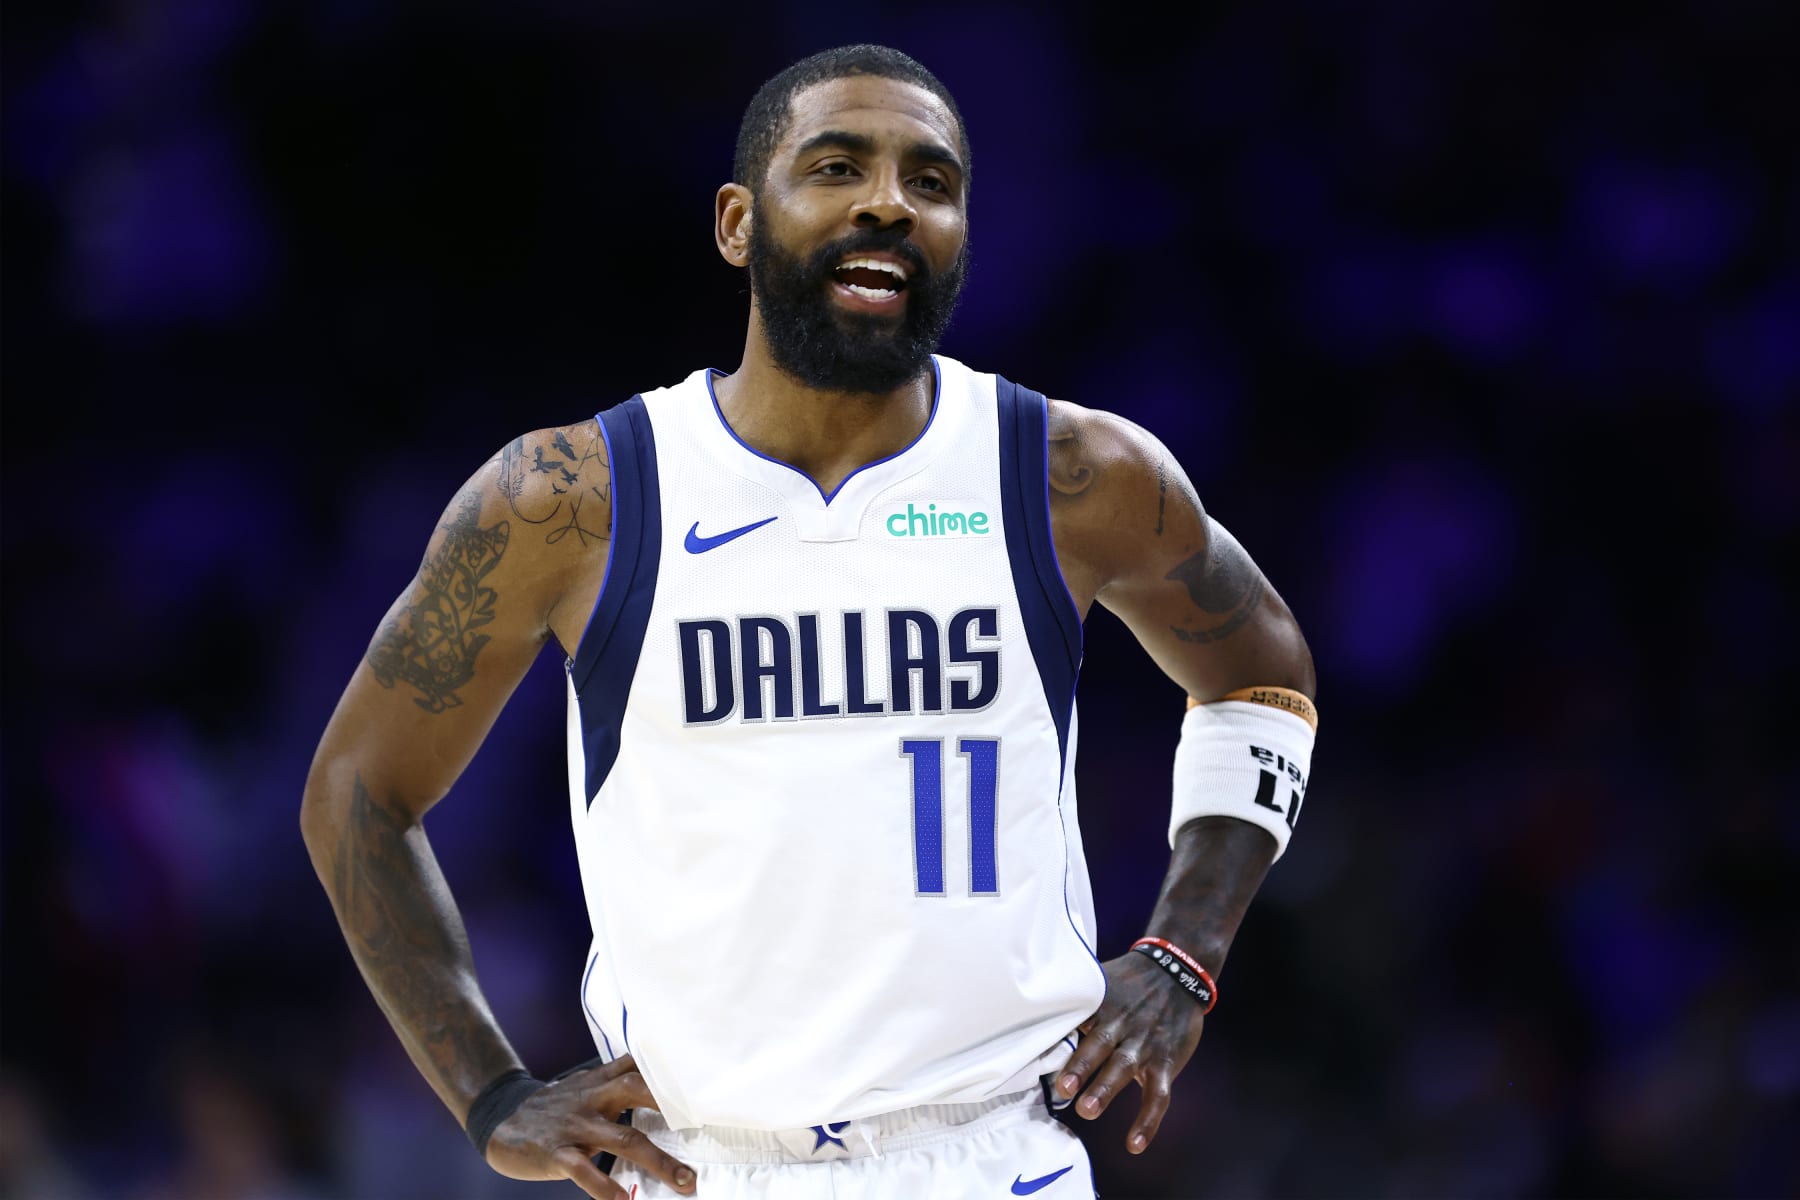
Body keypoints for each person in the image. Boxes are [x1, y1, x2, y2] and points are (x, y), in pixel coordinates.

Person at [301, 42, 1317, 1200]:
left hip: (990, 1156)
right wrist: (491, 1097)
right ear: (739, 222)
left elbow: (1260, 676)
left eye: (931, 184)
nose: (889, 201)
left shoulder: (1067, 474)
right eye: (837, 167)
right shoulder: (573, 498)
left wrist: (1185, 952)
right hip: (702, 1164)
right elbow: (356, 796)